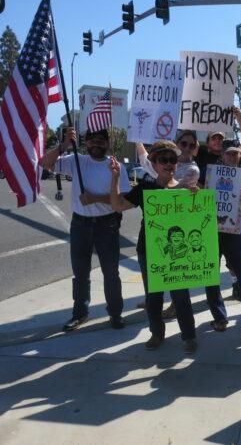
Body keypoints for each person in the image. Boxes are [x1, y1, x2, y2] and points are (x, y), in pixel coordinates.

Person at [109, 141, 198, 354]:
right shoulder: (146, 187)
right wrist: (114, 179)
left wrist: (197, 197)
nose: (169, 164)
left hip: (179, 254)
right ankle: (157, 333)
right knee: (153, 297)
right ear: (154, 163)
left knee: (181, 296)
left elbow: (198, 221)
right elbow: (118, 205)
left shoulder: (186, 189)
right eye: (163, 159)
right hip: (149, 251)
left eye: (172, 159)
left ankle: (189, 336)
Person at [40, 128, 130, 331]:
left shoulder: (116, 167)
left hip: (107, 225)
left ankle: (115, 313)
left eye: (100, 141)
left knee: (111, 272)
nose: (96, 144)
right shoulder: (76, 160)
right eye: (91, 140)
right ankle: (80, 314)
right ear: (85, 142)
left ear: (107, 144)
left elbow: (123, 200)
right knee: (80, 273)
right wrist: (63, 144)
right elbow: (45, 163)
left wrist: (95, 198)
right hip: (80, 224)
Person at [135, 130, 201, 318]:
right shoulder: (164, 162)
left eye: (191, 145)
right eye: (183, 144)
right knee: (156, 272)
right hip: (157, 227)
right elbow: (145, 161)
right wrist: (137, 137)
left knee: (176, 274)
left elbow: (176, 191)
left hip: (178, 226)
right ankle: (153, 303)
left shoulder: (192, 170)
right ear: (177, 144)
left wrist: (159, 181)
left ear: (195, 148)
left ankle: (174, 307)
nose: (187, 148)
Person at [203, 139, 241, 332]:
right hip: (212, 232)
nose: (232, 156)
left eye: (236, 153)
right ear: (222, 155)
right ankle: (220, 317)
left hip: (234, 231)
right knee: (210, 276)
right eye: (229, 153)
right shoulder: (211, 175)